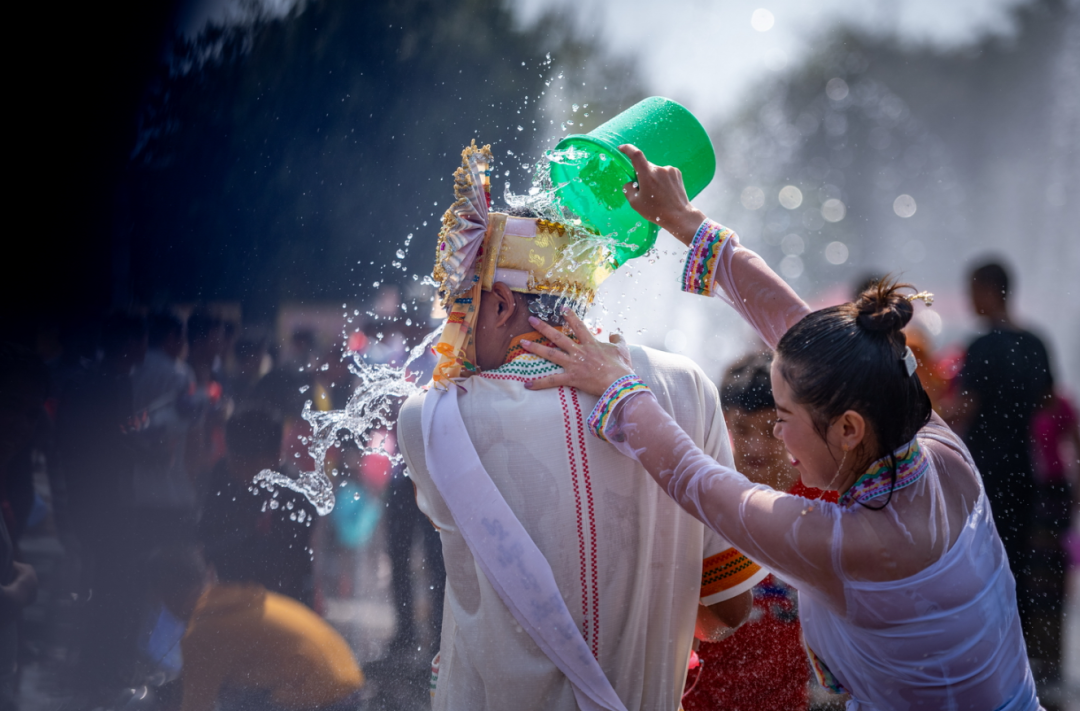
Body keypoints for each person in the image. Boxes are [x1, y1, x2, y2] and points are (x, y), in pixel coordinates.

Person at [521, 144, 1042, 709]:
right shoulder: (931, 440)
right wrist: (686, 223)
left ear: (847, 429)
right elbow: (798, 327)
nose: (775, 435)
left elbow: (701, 483)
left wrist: (618, 388)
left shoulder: (850, 543)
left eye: (784, 418)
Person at [396, 143, 763, 711]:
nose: (451, 333)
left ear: (500, 305)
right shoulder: (684, 385)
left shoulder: (433, 419)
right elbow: (727, 611)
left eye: (458, 306)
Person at [683, 352, 841, 711]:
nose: (755, 446)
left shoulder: (824, 502)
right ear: (723, 423)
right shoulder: (702, 500)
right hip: (697, 699)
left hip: (788, 702)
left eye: (770, 430)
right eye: (741, 429)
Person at [147, 547, 362, 711]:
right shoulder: (233, 600)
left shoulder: (205, 629)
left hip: (320, 698)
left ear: (165, 593)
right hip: (348, 684)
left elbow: (196, 707)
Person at [198, 409, 316, 606]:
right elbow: (205, 536)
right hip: (227, 596)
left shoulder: (295, 492)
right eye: (237, 463)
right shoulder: (220, 477)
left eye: (252, 465)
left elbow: (288, 562)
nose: (244, 472)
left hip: (283, 602)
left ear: (277, 456)